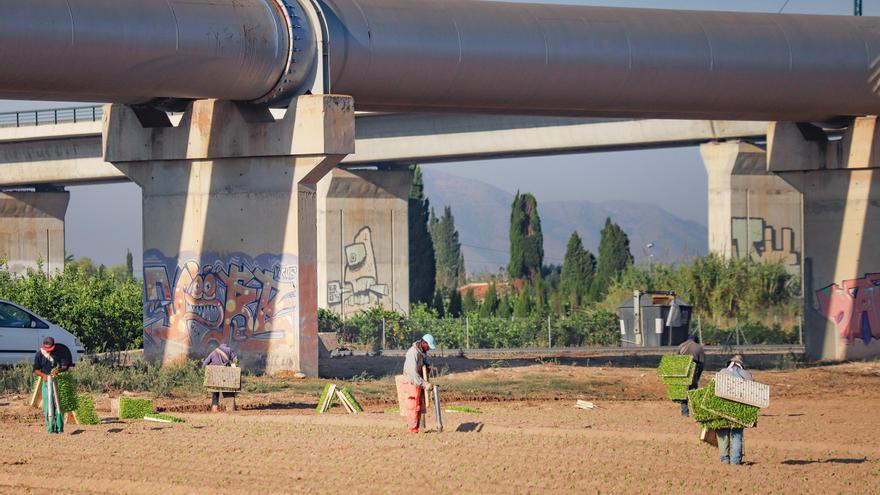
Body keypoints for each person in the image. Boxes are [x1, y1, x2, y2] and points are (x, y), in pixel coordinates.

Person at [716, 354, 754, 465]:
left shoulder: (722, 372)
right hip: (740, 410)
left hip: (723, 408)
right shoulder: (747, 375)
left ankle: (724, 459)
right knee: (737, 433)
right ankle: (736, 460)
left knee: (723, 432)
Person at [32, 337, 70, 434]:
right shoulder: (39, 354)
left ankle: (59, 428)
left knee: (58, 405)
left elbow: (65, 366)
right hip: (46, 381)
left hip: (58, 380)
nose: (49, 352)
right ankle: (50, 429)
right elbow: (35, 370)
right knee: (48, 406)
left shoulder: (60, 351)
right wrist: (42, 375)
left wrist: (58, 370)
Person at [400, 334, 436, 433]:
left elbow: (425, 362)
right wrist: (425, 384)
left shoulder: (422, 352)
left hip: (418, 382)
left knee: (419, 405)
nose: (429, 349)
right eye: (428, 346)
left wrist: (428, 366)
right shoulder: (413, 353)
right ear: (423, 343)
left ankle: (417, 427)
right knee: (413, 405)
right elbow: (413, 373)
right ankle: (412, 428)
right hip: (411, 382)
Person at [202, 344, 237, 412]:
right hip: (226, 376)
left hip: (215, 376)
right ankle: (230, 410)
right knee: (228, 393)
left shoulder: (213, 352)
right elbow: (235, 360)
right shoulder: (229, 350)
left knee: (215, 394)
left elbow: (204, 364)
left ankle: (214, 410)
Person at [677, 334, 705, 417]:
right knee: (693, 391)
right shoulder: (699, 347)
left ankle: (684, 412)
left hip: (682, 372)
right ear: (696, 340)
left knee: (683, 392)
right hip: (693, 373)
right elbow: (701, 364)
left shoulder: (681, 346)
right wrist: (698, 375)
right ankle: (695, 412)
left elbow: (675, 360)